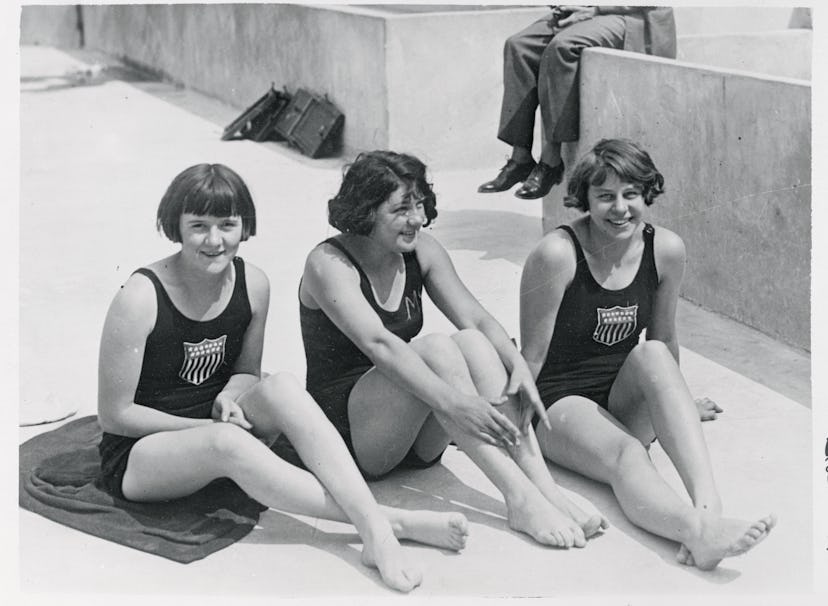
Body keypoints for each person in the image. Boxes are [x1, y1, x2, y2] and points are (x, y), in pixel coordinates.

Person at [96, 163, 470, 593]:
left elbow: (244, 373)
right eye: (198, 226)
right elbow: (116, 415)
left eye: (227, 225)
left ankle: (374, 524)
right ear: (174, 227)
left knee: (283, 385)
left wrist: (230, 397)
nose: (214, 240)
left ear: (245, 227)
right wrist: (206, 426)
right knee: (227, 442)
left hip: (217, 424)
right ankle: (384, 526)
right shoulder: (140, 296)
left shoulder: (253, 283)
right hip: (142, 455)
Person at [299, 150, 608, 549]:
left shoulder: (420, 250)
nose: (418, 218)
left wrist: (519, 366)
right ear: (366, 210)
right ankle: (518, 498)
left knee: (474, 343)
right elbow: (380, 345)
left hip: (416, 429)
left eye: (420, 203)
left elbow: (476, 319)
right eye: (401, 208)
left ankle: (545, 490)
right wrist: (456, 404)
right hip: (354, 439)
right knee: (435, 349)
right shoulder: (327, 263)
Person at [518, 139, 776, 570]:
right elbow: (530, 358)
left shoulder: (666, 249)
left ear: (646, 194)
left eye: (630, 194)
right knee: (628, 454)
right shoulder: (557, 253)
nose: (620, 208)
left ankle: (708, 510)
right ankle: (696, 534)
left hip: (620, 395)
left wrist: (678, 407)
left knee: (653, 352)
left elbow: (664, 338)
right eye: (605, 196)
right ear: (584, 200)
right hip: (560, 403)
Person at [478, 6, 677, 199]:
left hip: (634, 16)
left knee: (562, 47)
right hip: (589, 10)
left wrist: (596, 9)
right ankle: (520, 158)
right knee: (518, 45)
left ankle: (551, 161)